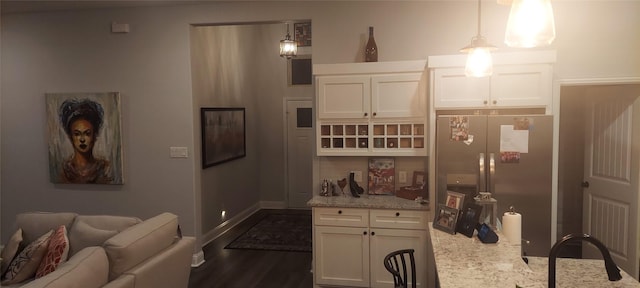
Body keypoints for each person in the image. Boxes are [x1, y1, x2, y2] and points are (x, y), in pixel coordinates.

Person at [59, 98, 113, 183]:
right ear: (70, 137)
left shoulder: (105, 169)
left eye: (87, 133)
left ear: (95, 136)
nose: (82, 139)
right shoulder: (65, 172)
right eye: (77, 134)